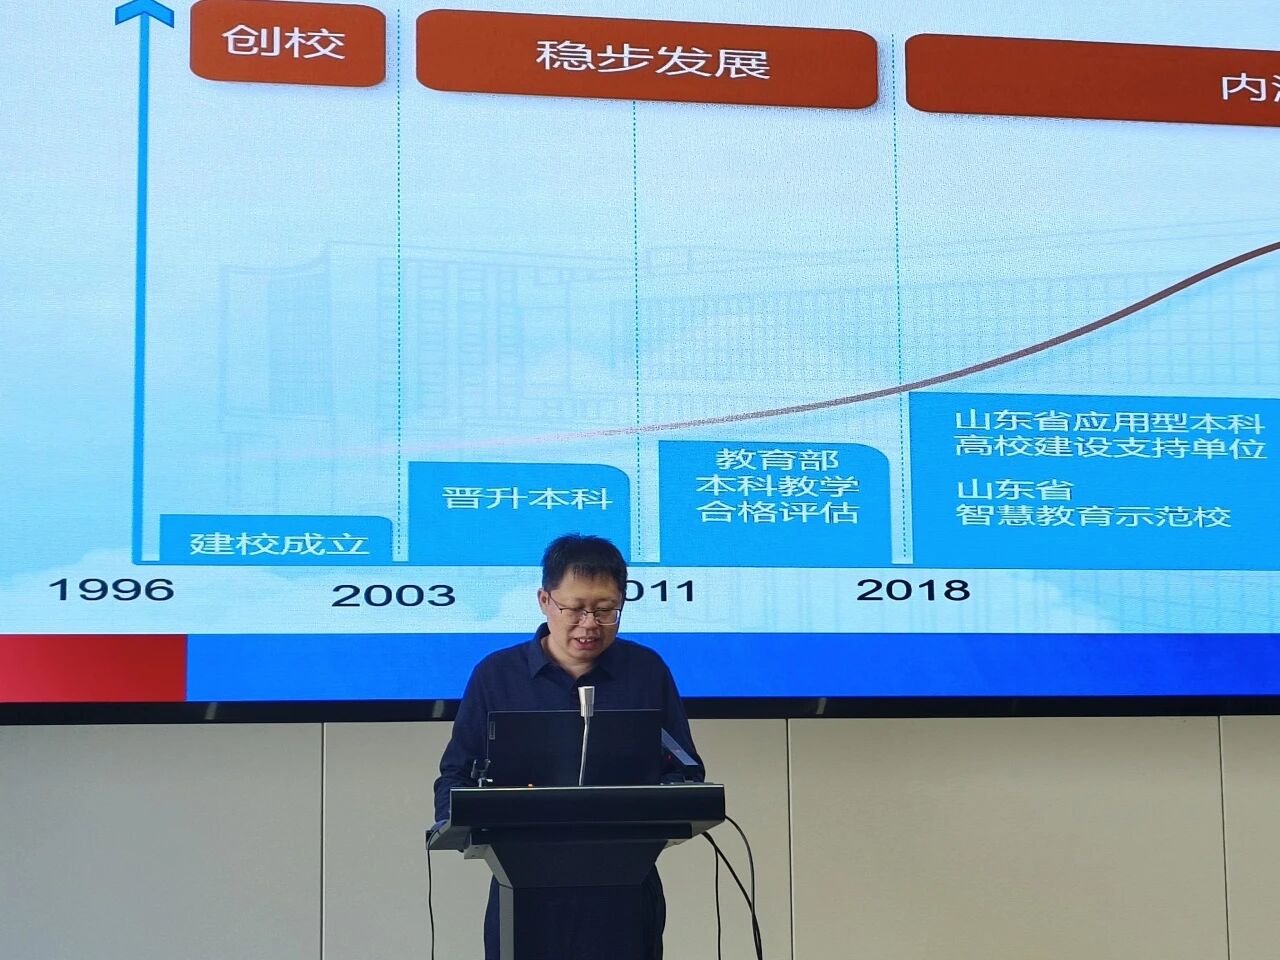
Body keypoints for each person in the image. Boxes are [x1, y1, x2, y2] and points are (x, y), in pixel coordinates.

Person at [434, 533, 704, 960]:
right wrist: (459, 816)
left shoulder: (646, 671)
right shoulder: (497, 675)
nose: (590, 624)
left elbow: (684, 769)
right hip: (524, 889)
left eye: (606, 610)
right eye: (575, 609)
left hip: (625, 891)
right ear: (545, 600)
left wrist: (673, 796)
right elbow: (455, 775)